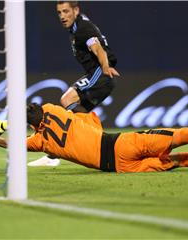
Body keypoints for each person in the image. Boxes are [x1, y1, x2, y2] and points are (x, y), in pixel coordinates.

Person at [0, 103, 188, 172]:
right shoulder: (55, 109)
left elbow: (12, 145)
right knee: (178, 137)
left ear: (29, 127)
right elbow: (74, 108)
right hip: (117, 141)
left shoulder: (41, 143)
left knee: (180, 161)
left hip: (117, 166)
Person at [30, 1, 120, 166]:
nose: (62, 16)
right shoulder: (77, 27)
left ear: (76, 10)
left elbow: (97, 47)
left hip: (100, 73)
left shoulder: (83, 29)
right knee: (80, 115)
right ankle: (100, 145)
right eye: (59, 12)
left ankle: (59, 153)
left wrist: (105, 67)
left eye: (66, 11)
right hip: (99, 74)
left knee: (67, 99)